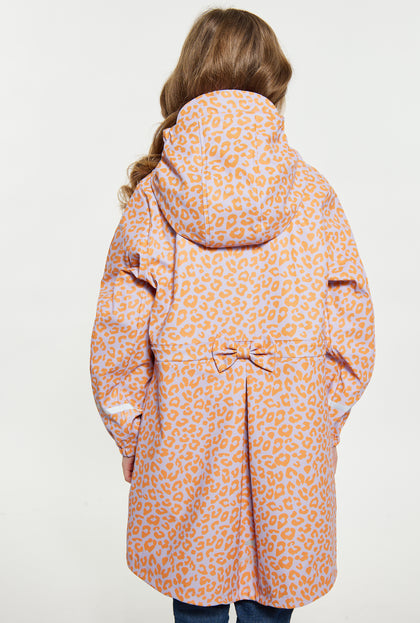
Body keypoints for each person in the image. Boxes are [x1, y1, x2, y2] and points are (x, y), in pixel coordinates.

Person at [89, 7, 375, 623]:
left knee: (194, 603)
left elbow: (117, 338)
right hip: (290, 440)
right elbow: (351, 323)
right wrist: (320, 418)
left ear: (187, 76)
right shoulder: (310, 191)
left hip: (182, 437)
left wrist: (135, 435)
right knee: (272, 604)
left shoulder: (154, 197)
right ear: (274, 79)